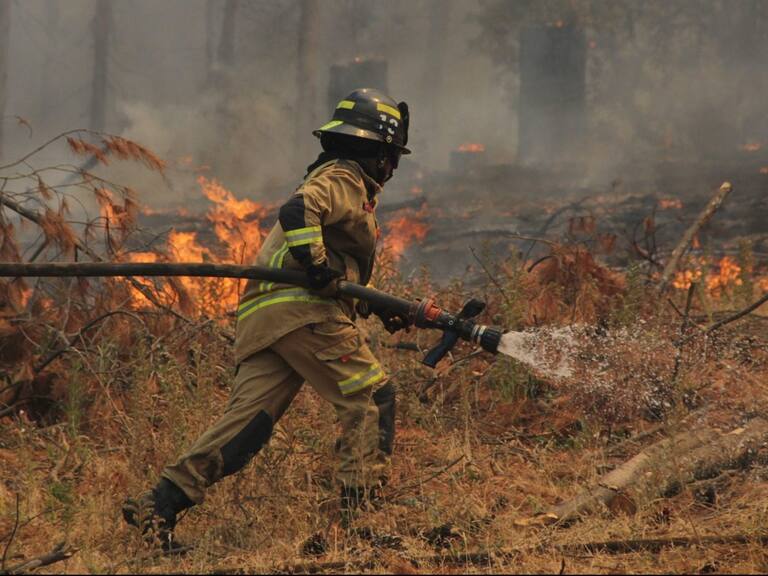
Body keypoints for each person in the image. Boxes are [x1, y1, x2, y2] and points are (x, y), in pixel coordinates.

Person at [122, 88, 412, 549]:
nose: (392, 168)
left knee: (246, 428)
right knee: (373, 397)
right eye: (391, 156)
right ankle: (355, 531)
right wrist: (316, 266)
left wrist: (378, 304)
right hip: (303, 313)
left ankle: (159, 504)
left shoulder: (340, 181)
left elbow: (339, 272)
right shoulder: (344, 178)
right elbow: (299, 214)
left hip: (268, 318)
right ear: (377, 152)